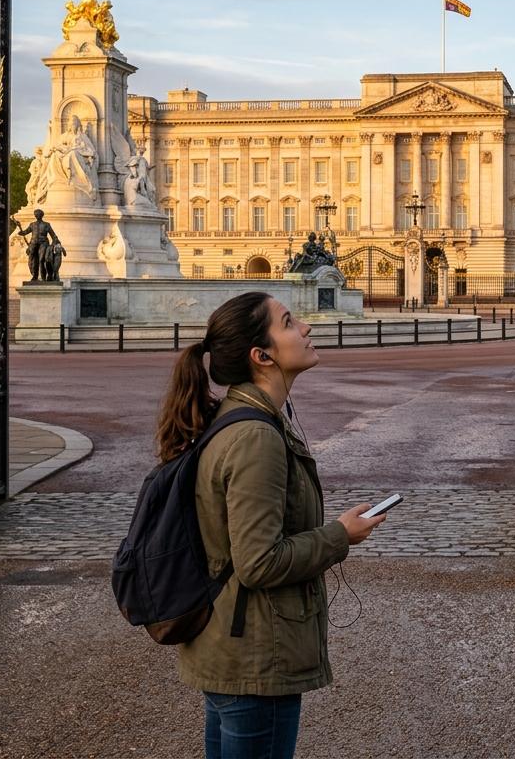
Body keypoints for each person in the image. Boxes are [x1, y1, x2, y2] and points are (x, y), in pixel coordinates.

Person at [157, 291, 385, 759]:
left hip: (233, 643)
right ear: (261, 356)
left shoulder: (238, 419)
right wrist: (341, 535)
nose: (305, 328)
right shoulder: (256, 436)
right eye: (288, 322)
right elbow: (259, 562)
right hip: (257, 653)